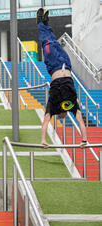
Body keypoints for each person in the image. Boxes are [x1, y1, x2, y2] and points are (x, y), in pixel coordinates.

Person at [37, 8, 88, 148]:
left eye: (62, 117)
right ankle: (45, 23)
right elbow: (80, 121)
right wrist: (84, 140)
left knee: (46, 43)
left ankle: (40, 23)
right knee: (53, 42)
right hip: (65, 64)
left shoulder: (53, 106)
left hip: (55, 67)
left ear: (60, 114)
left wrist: (43, 140)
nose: (63, 117)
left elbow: (46, 121)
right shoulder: (71, 105)